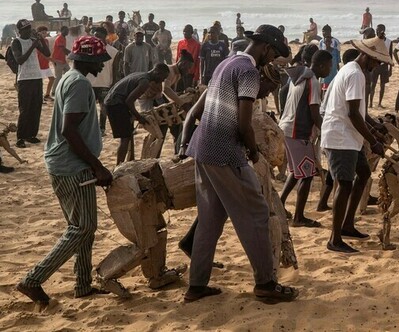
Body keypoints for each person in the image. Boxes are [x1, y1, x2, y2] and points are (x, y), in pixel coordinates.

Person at [178, 24, 297, 302]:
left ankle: (196, 286)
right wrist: (254, 151)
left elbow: (200, 109)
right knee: (256, 213)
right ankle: (266, 284)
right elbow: (244, 123)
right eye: (273, 54)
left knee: (210, 220)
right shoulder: (248, 72)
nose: (272, 60)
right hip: (225, 151)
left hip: (203, 147)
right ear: (266, 47)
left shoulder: (227, 63)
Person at [15, 36, 113, 306]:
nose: (101, 66)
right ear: (87, 59)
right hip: (72, 166)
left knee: (84, 228)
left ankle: (82, 285)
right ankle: (33, 279)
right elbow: (68, 130)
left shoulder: (68, 78)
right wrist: (98, 166)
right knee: (82, 227)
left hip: (65, 162)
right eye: (98, 61)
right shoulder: (80, 84)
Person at [321, 37, 390, 253]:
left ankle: (348, 225)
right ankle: (335, 238)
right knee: (344, 184)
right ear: (368, 56)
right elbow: (352, 113)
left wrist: (375, 126)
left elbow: (359, 111)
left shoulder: (350, 69)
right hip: (341, 137)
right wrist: (374, 141)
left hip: (349, 137)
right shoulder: (355, 74)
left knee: (364, 174)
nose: (377, 66)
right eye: (376, 61)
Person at [278, 50, 333, 227]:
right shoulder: (313, 82)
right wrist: (327, 131)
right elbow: (315, 114)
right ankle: (299, 217)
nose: (330, 71)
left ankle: (280, 203)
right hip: (297, 132)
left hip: (286, 128)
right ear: (321, 65)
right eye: (329, 67)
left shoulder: (299, 76)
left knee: (296, 172)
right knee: (307, 175)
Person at [105, 64, 170, 164]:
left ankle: (129, 161)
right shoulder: (144, 82)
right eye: (163, 78)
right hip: (115, 104)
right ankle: (119, 166)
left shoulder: (141, 75)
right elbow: (129, 101)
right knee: (125, 138)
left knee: (129, 133)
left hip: (115, 101)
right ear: (157, 73)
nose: (162, 81)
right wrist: (139, 117)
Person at [11, 19, 51, 148]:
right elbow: (20, 60)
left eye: (29, 28)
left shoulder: (33, 40)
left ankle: (31, 134)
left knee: (36, 107)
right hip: (24, 79)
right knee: (25, 109)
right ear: (20, 31)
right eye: (26, 29)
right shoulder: (16, 42)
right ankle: (20, 137)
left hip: (36, 77)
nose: (29, 31)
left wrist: (41, 40)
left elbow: (47, 53)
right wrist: (33, 46)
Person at [85, 27, 120, 135]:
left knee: (104, 108)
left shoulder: (114, 52)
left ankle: (102, 129)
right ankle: (89, 128)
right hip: (90, 83)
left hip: (105, 83)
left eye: (99, 36)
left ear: (105, 36)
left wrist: (114, 83)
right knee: (88, 108)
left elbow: (115, 70)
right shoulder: (89, 49)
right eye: (95, 36)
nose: (96, 38)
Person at [369, 24, 393, 108]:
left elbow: (390, 56)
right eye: (376, 30)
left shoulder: (389, 42)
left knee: (382, 85)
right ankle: (370, 103)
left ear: (383, 30)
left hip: (384, 66)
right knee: (373, 85)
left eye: (378, 30)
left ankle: (379, 103)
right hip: (375, 65)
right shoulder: (374, 40)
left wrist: (390, 69)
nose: (376, 31)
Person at [177, 24, 201, 89]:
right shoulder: (180, 43)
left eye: (187, 31)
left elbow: (197, 61)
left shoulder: (196, 45)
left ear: (192, 32)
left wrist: (196, 76)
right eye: (184, 31)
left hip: (190, 73)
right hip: (180, 71)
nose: (185, 33)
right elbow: (178, 58)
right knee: (178, 91)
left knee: (188, 92)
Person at [318, 25, 341, 92]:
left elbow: (338, 55)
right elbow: (319, 53)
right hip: (323, 66)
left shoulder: (336, 41)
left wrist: (338, 68)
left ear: (329, 32)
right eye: (322, 31)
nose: (323, 33)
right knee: (323, 85)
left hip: (333, 66)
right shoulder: (321, 42)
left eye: (324, 31)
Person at [36, 26, 56, 101]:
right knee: (39, 83)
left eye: (45, 33)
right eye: (42, 33)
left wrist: (49, 58)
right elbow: (41, 53)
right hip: (40, 65)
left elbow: (47, 52)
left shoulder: (46, 41)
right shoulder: (37, 41)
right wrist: (51, 59)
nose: (44, 34)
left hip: (46, 64)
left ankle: (47, 95)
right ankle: (39, 97)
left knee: (52, 79)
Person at [51, 26, 71, 91]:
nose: (67, 32)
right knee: (58, 77)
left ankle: (63, 87)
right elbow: (63, 49)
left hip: (62, 60)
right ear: (61, 30)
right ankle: (53, 91)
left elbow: (64, 51)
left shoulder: (64, 38)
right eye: (66, 30)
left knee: (69, 73)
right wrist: (72, 54)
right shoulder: (59, 38)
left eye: (67, 30)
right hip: (57, 60)